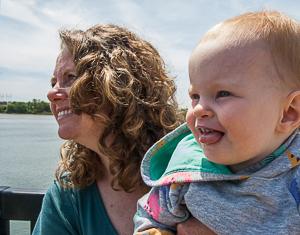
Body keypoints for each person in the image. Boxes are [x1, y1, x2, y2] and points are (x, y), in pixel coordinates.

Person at [134, 10, 300, 235]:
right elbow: (149, 218)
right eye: (195, 96)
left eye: (222, 93)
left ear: (288, 112)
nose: (200, 108)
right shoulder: (185, 173)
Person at [32, 24, 184, 235]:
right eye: (53, 81)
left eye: (70, 77)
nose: (51, 93)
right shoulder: (68, 192)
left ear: (117, 85)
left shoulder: (187, 168)